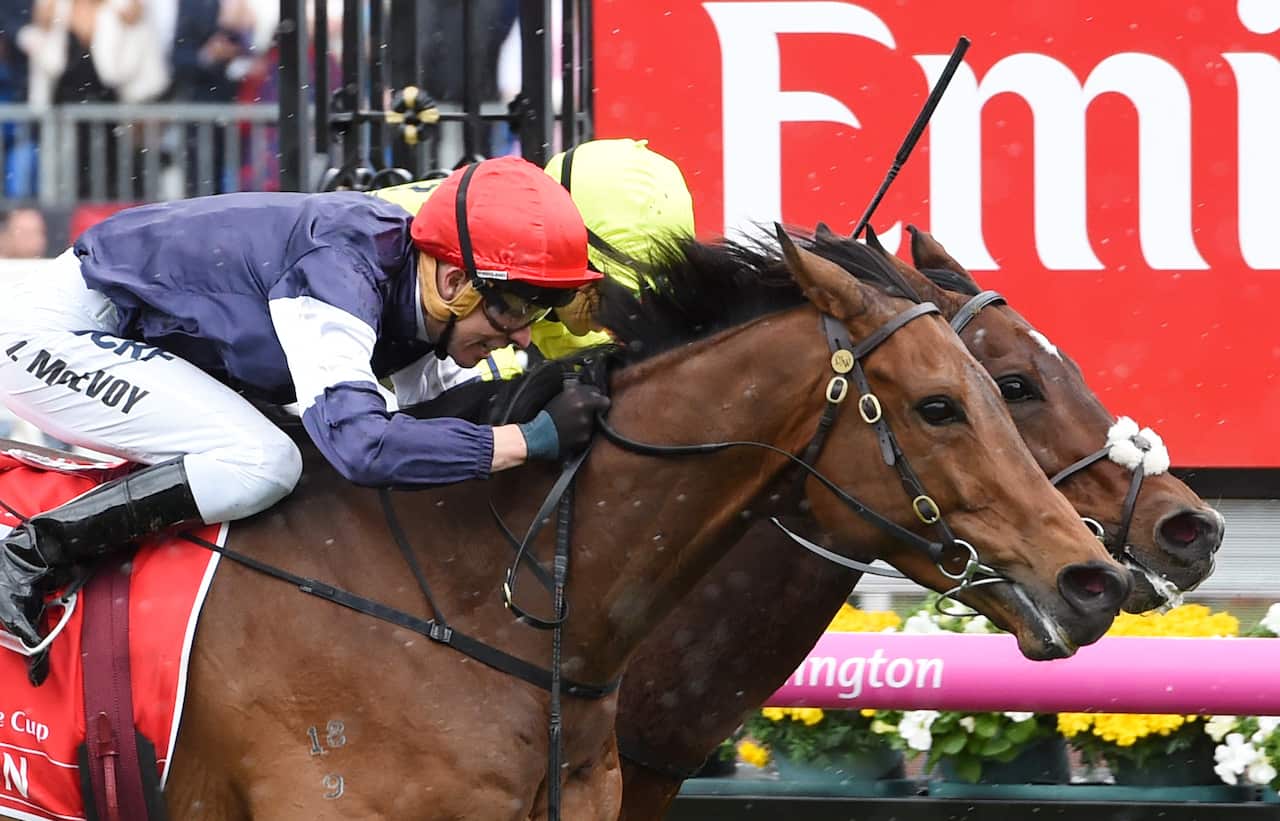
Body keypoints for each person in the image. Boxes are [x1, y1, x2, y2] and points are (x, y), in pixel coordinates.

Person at [0, 155, 610, 647]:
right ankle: (28, 554)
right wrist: (529, 440)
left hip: (132, 331)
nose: (524, 335)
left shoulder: (418, 293)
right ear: (453, 281)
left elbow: (433, 429)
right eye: (518, 307)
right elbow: (364, 449)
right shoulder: (339, 271)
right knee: (265, 462)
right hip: (58, 334)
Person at [372, 138, 697, 390]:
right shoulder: (496, 250)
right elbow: (489, 406)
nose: (613, 320)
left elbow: (596, 359)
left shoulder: (534, 248)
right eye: (614, 298)